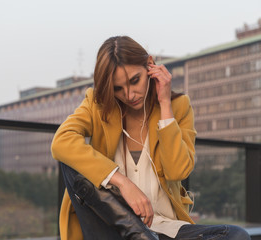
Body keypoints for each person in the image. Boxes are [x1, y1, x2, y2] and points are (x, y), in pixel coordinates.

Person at [51, 36, 250, 240]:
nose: (129, 95)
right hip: (111, 228)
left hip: (166, 228)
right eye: (118, 88)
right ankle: (138, 234)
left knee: (236, 235)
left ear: (150, 65)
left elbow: (177, 171)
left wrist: (165, 104)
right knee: (72, 162)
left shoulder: (178, 106)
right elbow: (61, 141)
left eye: (134, 81)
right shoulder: (97, 104)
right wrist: (123, 183)